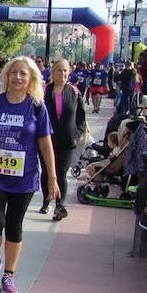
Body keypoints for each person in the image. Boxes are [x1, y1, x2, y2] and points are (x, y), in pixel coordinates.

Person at [0, 55, 59, 293]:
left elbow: (45, 143)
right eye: (13, 72)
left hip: (25, 177)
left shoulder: (37, 106)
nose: (18, 77)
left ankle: (9, 274)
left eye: (23, 74)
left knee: (14, 225)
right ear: (6, 76)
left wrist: (52, 177)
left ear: (31, 79)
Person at [40, 58, 87, 221]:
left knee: (61, 173)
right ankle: (47, 201)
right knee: (46, 172)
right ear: (53, 72)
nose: (63, 73)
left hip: (67, 141)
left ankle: (60, 206)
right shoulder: (45, 91)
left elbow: (81, 116)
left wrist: (77, 132)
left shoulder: (74, 92)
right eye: (59, 70)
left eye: (66, 70)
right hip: (47, 140)